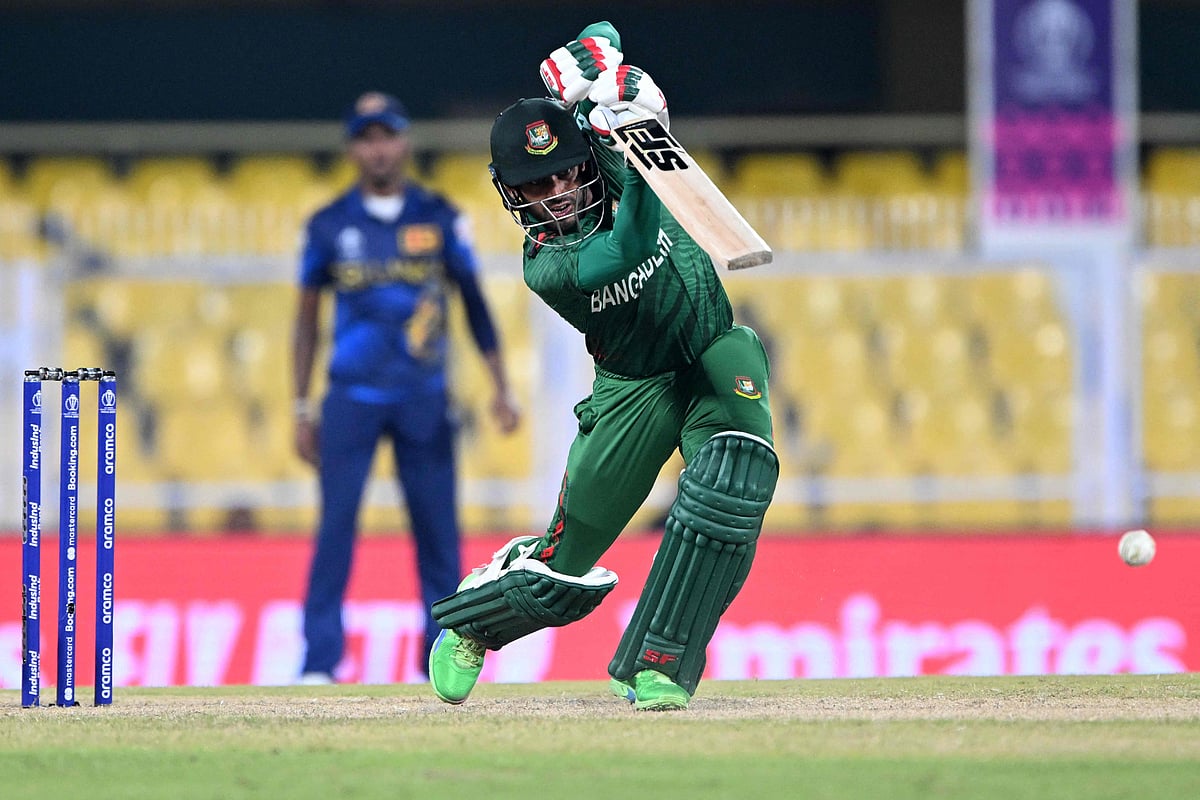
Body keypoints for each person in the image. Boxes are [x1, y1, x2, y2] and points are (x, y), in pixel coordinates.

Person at [427, 22, 778, 711]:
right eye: (535, 184)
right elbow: (627, 246)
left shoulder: (609, 154)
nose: (557, 190)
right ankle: (475, 623)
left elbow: (605, 33)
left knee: (730, 492)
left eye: (565, 171)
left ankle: (659, 662)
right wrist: (646, 137)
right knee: (567, 564)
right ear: (512, 194)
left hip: (713, 347)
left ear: (584, 158)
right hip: (633, 387)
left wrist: (602, 74)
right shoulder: (547, 266)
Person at [292, 90, 521, 684]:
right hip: (351, 398)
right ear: (352, 148)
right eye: (366, 137)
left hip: (423, 397)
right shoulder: (328, 224)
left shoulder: (439, 218)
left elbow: (473, 304)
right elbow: (305, 321)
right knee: (336, 527)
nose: (378, 149)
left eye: (387, 135)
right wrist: (300, 405)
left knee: (438, 533)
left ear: (405, 142)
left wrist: (501, 385)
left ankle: (438, 657)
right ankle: (319, 662)